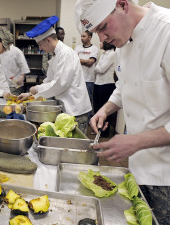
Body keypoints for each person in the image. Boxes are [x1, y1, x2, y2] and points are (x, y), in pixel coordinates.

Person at [75, 0, 170, 224]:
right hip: (138, 169)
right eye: (96, 31)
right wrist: (105, 110)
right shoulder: (124, 41)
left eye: (103, 27)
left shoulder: (166, 32)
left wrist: (135, 142)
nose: (102, 38)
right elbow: (125, 86)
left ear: (122, 5)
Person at [18, 16, 92, 134]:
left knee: (74, 148)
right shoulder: (56, 55)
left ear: (48, 40)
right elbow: (49, 80)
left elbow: (60, 84)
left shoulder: (66, 54)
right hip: (67, 108)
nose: (40, 48)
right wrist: (30, 94)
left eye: (40, 44)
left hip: (75, 110)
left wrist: (36, 89)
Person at [93, 41, 116, 137]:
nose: (99, 43)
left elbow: (101, 69)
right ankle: (97, 129)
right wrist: (97, 68)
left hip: (107, 84)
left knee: (104, 108)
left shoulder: (112, 54)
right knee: (97, 107)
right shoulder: (104, 53)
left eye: (102, 42)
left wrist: (97, 68)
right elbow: (98, 68)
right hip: (98, 83)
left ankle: (104, 132)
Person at [74, 30, 99, 116]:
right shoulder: (77, 48)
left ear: (90, 37)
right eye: (81, 36)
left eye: (84, 36)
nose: (82, 38)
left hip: (89, 80)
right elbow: (74, 61)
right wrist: (85, 60)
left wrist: (79, 60)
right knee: (77, 101)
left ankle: (87, 121)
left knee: (87, 103)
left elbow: (90, 63)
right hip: (78, 79)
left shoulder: (94, 48)